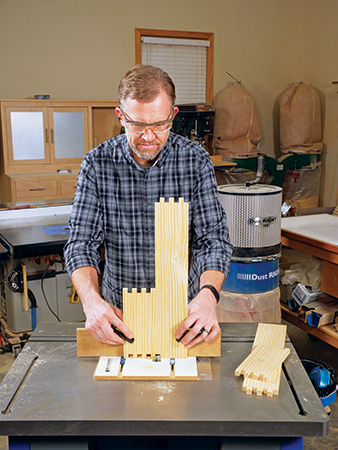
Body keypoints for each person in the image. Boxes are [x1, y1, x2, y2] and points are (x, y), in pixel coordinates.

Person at [64, 64, 232, 349]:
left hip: (184, 316)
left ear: (173, 116)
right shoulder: (97, 164)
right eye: (138, 125)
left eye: (159, 125)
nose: (149, 136)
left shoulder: (195, 161)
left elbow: (213, 241)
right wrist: (92, 303)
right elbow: (80, 245)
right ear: (121, 116)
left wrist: (207, 297)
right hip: (118, 316)